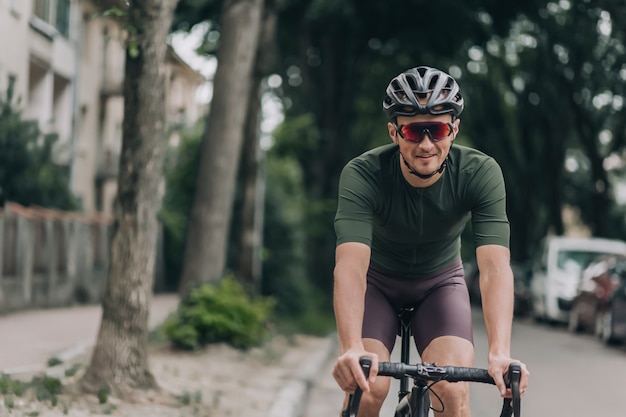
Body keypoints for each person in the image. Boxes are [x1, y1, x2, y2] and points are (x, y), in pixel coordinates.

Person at [331, 65, 529, 417]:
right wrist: (350, 348)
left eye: (436, 129)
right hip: (377, 284)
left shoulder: (480, 173)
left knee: (451, 393)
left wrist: (499, 352)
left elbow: (495, 269)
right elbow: (350, 266)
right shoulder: (363, 174)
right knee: (368, 386)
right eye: (412, 130)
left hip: (440, 284)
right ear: (394, 132)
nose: (425, 144)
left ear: (454, 129)